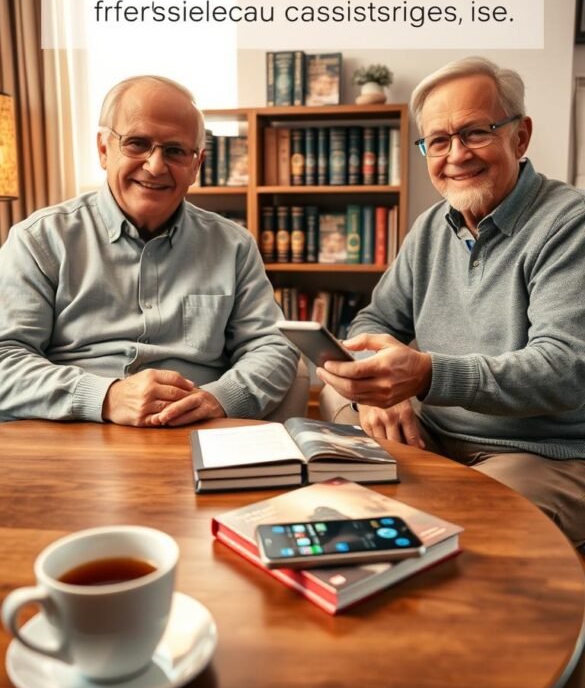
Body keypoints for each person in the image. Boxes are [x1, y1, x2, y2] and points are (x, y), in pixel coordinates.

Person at [319, 57, 585, 548]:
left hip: (543, 453)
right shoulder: (431, 226)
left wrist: (426, 375)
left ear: (520, 136)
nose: (455, 155)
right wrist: (383, 390)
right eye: (438, 141)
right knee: (335, 438)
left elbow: (565, 368)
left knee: (464, 537)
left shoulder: (570, 224)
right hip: (433, 435)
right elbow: (375, 320)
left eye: (474, 133)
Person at [0, 75, 298, 427]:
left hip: (197, 433)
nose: (155, 166)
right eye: (137, 143)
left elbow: (274, 347)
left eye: (174, 150)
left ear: (196, 165)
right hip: (72, 433)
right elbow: (6, 358)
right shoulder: (39, 240)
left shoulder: (234, 246)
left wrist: (220, 398)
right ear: (103, 150)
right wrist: (105, 397)